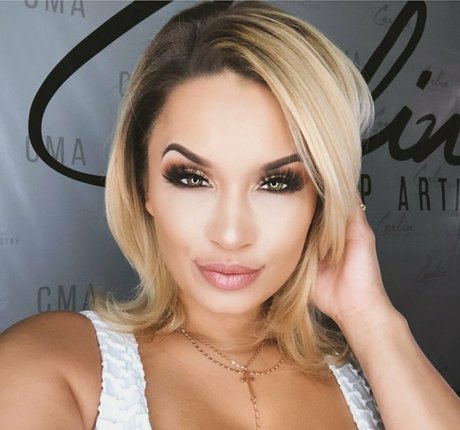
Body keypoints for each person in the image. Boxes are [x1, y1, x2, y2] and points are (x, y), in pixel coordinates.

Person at [1, 1, 459, 429]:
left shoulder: (379, 384)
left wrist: (370, 318)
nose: (231, 233)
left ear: (322, 201)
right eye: (191, 178)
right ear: (143, 186)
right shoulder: (49, 365)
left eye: (276, 183)